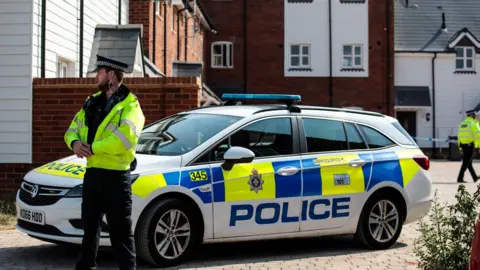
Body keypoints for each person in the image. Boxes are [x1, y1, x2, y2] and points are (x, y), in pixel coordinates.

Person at [64, 54, 145, 270]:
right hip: (93, 176)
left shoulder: (131, 106)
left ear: (110, 75)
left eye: (99, 72)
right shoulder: (91, 102)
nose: (95, 76)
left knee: (121, 235)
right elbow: (72, 129)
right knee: (89, 231)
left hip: (116, 178)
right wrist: (74, 143)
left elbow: (124, 140)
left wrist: (92, 148)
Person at [457, 109, 480, 183]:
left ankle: (475, 177)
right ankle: (460, 178)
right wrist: (478, 146)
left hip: (463, 145)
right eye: (475, 115)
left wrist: (460, 147)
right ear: (472, 115)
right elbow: (478, 135)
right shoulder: (473, 122)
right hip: (470, 145)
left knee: (468, 162)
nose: (475, 116)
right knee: (466, 162)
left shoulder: (463, 123)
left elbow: (459, 136)